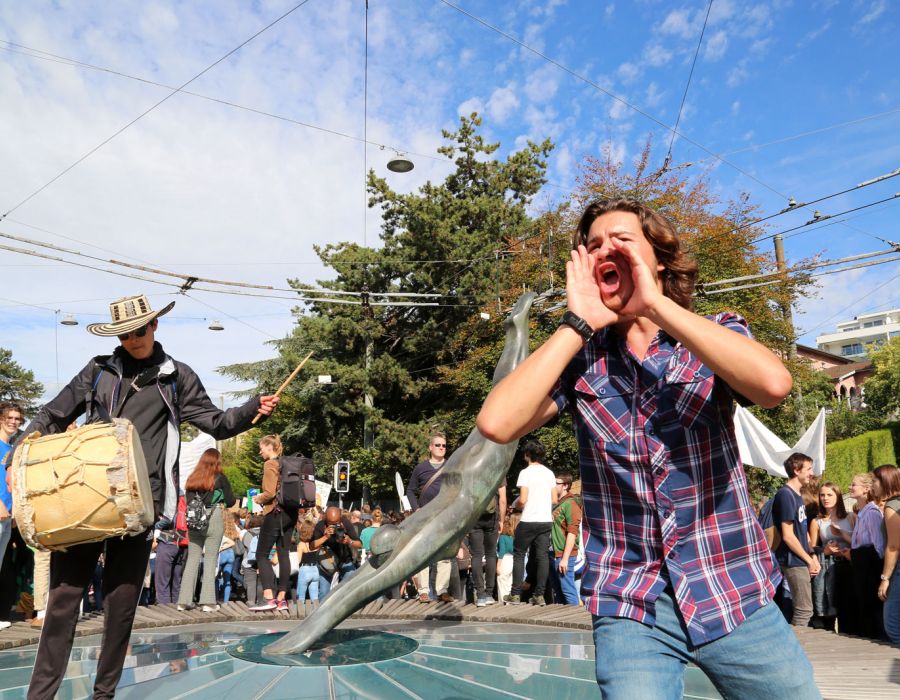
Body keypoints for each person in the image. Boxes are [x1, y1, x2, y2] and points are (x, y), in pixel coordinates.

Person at [477, 199, 818, 698]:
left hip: (733, 588)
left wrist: (656, 304)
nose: (605, 250)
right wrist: (576, 323)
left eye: (621, 240)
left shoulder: (714, 331)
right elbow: (496, 422)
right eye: (593, 245)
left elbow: (773, 385)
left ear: (657, 257)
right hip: (631, 604)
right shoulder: (580, 360)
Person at [14, 294, 278, 700]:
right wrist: (19, 456)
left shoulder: (177, 377)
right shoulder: (99, 370)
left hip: (140, 506)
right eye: (123, 334)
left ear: (154, 327)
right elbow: (52, 413)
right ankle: (40, 696)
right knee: (63, 603)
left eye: (138, 331)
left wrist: (250, 409)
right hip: (86, 500)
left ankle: (104, 695)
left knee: (120, 610)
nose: (131, 340)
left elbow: (218, 423)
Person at [250, 435, 300, 611]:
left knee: (261, 555)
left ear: (269, 447)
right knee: (283, 554)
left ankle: (268, 597)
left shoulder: (270, 464)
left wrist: (258, 498)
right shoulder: (285, 463)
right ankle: (281, 599)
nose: (260, 451)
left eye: (261, 448)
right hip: (290, 514)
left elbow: (270, 492)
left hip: (275, 513)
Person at [504, 440, 556, 606]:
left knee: (519, 554)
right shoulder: (549, 473)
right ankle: (539, 595)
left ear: (527, 455)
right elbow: (554, 499)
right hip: (545, 520)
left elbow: (523, 500)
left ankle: (515, 594)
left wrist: (515, 506)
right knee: (542, 557)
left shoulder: (525, 473)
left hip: (528, 520)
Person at [773, 453, 820, 627]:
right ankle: (798, 648)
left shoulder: (797, 494)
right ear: (796, 470)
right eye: (808, 469)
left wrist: (813, 554)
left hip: (802, 559)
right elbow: (788, 535)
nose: (811, 473)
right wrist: (808, 559)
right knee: (804, 610)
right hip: (793, 560)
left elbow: (803, 530)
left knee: (804, 609)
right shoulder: (785, 495)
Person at [406, 432, 453, 602]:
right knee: (423, 553)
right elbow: (410, 491)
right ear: (430, 447)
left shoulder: (451, 466)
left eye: (444, 446)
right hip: (425, 516)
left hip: (445, 515)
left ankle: (442, 591)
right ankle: (423, 591)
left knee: (445, 554)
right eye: (438, 445)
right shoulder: (421, 468)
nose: (442, 448)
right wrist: (416, 509)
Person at [808, 481, 854, 632]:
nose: (825, 498)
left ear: (838, 496)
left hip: (848, 566)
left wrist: (843, 538)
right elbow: (812, 548)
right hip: (828, 569)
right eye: (822, 495)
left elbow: (861, 542)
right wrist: (824, 550)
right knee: (828, 607)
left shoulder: (851, 517)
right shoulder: (817, 521)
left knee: (847, 608)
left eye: (829, 494)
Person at [849, 471, 885, 640]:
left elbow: (878, 545)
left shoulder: (871, 513)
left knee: (871, 606)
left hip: (869, 566)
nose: (850, 487)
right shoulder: (862, 512)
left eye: (854, 484)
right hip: (861, 564)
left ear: (866, 489)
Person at [0, 402, 23, 631]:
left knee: (4, 568)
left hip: (8, 516)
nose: (13, 422)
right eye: (10, 417)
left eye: (17, 418)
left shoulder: (12, 448)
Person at [469, 479, 506, 607]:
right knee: (490, 554)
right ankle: (489, 594)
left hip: (474, 517)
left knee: (476, 555)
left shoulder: (472, 469)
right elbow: (502, 499)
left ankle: (480, 596)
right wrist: (502, 520)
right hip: (492, 518)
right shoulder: (498, 470)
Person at [874, 464, 900, 643]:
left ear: (885, 482)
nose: (872, 485)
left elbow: (893, 546)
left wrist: (885, 578)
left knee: (892, 623)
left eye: (874, 480)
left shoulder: (892, 506)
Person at [312, 506, 361, 597]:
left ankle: (345, 609)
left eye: (336, 523)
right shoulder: (321, 525)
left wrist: (349, 541)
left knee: (349, 589)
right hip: (327, 562)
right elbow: (312, 546)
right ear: (326, 518)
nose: (334, 526)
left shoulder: (346, 523)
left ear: (340, 518)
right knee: (324, 592)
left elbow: (359, 544)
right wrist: (325, 536)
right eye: (331, 523)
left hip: (345, 560)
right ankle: (324, 610)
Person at [550, 473, 582, 606]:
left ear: (565, 486)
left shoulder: (571, 503)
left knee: (567, 590)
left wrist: (565, 558)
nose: (552, 486)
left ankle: (576, 621)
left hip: (564, 554)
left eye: (556, 483)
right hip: (552, 552)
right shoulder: (556, 503)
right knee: (558, 591)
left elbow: (572, 532)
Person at [296, 520, 320, 604]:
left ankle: (301, 614)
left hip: (304, 570)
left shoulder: (301, 544)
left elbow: (298, 560)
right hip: (315, 569)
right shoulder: (316, 543)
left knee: (301, 596)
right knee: (315, 597)